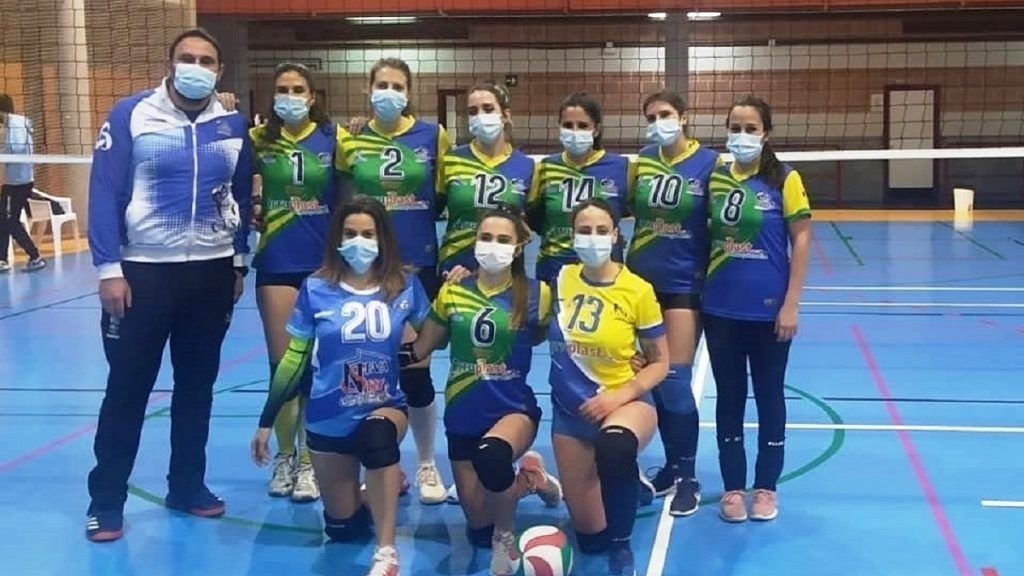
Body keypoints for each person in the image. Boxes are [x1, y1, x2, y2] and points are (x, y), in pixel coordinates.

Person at [85, 27, 252, 542]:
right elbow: (104, 191)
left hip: (211, 272)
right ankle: (106, 500)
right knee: (127, 389)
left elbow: (239, 194)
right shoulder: (131, 114)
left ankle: (186, 485)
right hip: (143, 273)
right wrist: (109, 269)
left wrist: (238, 262)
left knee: (196, 387)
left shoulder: (232, 123)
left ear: (219, 70)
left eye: (206, 60)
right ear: (169, 63)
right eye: (187, 57)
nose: (195, 67)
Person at [252, 197, 430, 576]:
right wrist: (266, 421)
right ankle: (378, 487)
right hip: (329, 418)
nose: (358, 241)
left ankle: (386, 552)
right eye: (350, 233)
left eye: (368, 234)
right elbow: (294, 358)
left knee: (378, 437)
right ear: (337, 238)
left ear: (382, 239)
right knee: (343, 529)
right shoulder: (316, 288)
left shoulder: (404, 286)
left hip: (383, 407)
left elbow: (438, 332)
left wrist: (461, 290)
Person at [401, 207, 560, 576]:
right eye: (485, 237)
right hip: (463, 416)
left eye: (503, 240)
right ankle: (530, 479)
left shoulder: (537, 294)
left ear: (518, 248)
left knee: (492, 457)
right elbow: (420, 350)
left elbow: (562, 339)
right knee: (478, 528)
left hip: (512, 410)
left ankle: (506, 540)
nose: (493, 246)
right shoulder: (454, 292)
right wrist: (365, 354)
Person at [335, 57, 450, 504]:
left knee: (415, 371)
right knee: (367, 371)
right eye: (381, 84)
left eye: (397, 85)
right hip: (364, 271)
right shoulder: (350, 139)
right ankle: (383, 466)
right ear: (368, 90)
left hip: (417, 270)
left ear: (408, 92)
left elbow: (444, 195)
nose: (388, 92)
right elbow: (343, 204)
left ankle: (426, 463)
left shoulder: (433, 136)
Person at [704, 95, 811, 523]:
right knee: (729, 397)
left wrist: (791, 304)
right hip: (720, 309)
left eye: (751, 128)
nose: (742, 135)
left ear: (766, 133)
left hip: (769, 312)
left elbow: (801, 238)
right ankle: (733, 487)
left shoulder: (785, 178)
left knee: (769, 396)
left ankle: (766, 487)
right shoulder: (715, 177)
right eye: (735, 128)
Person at [548, 198, 669, 576]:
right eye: (584, 230)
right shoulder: (559, 279)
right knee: (590, 538)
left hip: (625, 403)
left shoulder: (637, 289)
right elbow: (510, 295)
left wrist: (620, 395)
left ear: (616, 235)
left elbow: (661, 362)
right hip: (571, 411)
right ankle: (630, 482)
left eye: (602, 230)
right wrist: (461, 276)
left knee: (615, 449)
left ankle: (622, 545)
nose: (593, 238)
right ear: (572, 236)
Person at [625, 90, 720, 516]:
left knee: (675, 380)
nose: (657, 122)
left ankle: (688, 477)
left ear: (683, 117)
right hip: (639, 285)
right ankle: (671, 465)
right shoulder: (643, 161)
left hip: (683, 285)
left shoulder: (709, 163)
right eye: (650, 116)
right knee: (653, 381)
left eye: (664, 114)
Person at [249, 62, 341, 502]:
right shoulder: (257, 139)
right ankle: (285, 457)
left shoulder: (334, 138)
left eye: (298, 89)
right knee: (285, 366)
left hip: (324, 267)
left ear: (312, 96)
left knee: (319, 369)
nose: (290, 96)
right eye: (282, 89)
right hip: (278, 263)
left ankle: (310, 462)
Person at [528, 93, 630, 284]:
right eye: (568, 125)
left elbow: (629, 209)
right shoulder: (545, 168)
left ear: (596, 130)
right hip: (554, 270)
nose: (575, 131)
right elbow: (534, 217)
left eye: (583, 126)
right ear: (559, 127)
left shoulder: (622, 168)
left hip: (606, 273)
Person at [436, 82, 535, 275]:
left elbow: (533, 223)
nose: (480, 116)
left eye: (488, 109)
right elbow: (432, 209)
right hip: (456, 266)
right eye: (473, 111)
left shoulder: (527, 166)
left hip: (506, 269)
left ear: (505, 116)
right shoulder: (451, 160)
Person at [0, 92, 46, 272]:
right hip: (14, 181)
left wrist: (2, 154)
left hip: (18, 183)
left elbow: (18, 148)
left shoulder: (16, 124)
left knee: (10, 221)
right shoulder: (13, 123)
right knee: (3, 218)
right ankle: (2, 259)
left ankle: (35, 256)